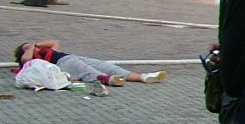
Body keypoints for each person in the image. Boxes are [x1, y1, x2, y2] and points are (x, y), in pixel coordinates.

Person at [13, 39, 166, 87]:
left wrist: (35, 43)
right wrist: (29, 46)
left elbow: (55, 42)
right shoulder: (29, 62)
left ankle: (143, 77)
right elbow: (26, 59)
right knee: (87, 72)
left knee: (107, 66)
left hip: (71, 57)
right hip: (63, 63)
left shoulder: (45, 51)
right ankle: (108, 80)